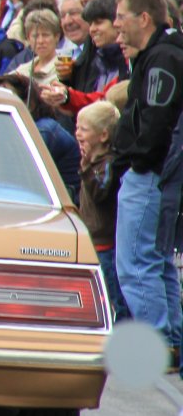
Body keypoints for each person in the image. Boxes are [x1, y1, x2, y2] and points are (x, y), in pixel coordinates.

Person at [111, 0, 183, 348]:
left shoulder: (164, 58)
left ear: (143, 18)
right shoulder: (159, 53)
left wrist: (138, 163)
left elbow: (157, 121)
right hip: (160, 176)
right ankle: (171, 343)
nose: (116, 24)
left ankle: (157, 345)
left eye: (121, 16)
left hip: (151, 176)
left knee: (136, 264)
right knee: (157, 261)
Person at [75, 100, 126, 321]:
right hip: (92, 242)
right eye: (77, 127)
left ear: (103, 135)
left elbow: (100, 192)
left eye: (84, 129)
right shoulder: (91, 163)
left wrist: (86, 167)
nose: (77, 133)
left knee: (112, 299)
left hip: (106, 245)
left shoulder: (107, 165)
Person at [9, 8, 63, 84]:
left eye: (45, 35)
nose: (40, 41)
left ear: (57, 37)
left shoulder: (64, 68)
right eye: (35, 36)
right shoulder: (22, 69)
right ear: (28, 38)